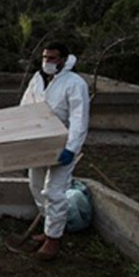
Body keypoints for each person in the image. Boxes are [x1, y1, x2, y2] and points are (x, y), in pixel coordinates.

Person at [20, 42, 90, 261]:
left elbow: (79, 119)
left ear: (63, 59)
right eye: (45, 57)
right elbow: (25, 106)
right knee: (36, 186)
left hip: (63, 145)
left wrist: (71, 148)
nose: (47, 62)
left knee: (54, 192)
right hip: (38, 143)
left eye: (52, 58)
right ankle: (48, 228)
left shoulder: (74, 83)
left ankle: (54, 240)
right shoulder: (37, 79)